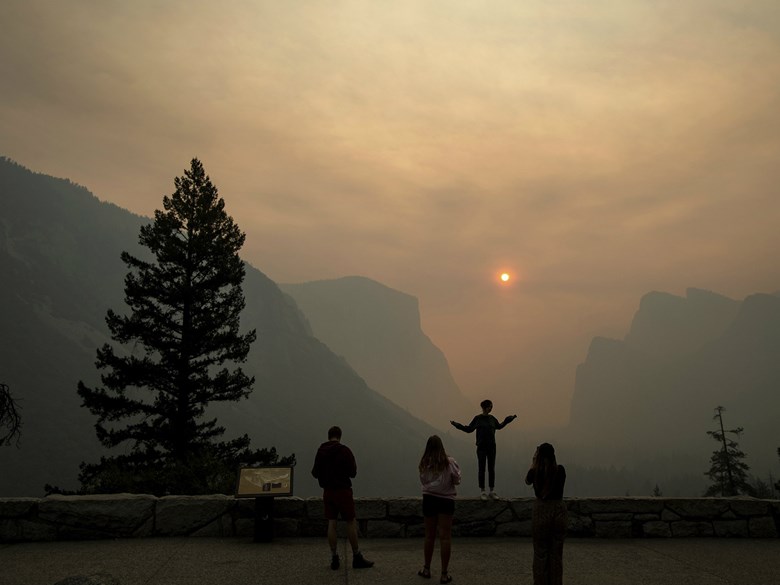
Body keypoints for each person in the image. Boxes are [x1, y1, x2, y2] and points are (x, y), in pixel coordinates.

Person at [311, 426, 374, 570]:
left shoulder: (321, 451)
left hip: (328, 492)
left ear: (328, 436)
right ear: (339, 436)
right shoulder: (345, 451)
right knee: (350, 521)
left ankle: (334, 558)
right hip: (343, 491)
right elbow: (353, 473)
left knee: (331, 523)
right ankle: (356, 556)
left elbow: (315, 473)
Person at [450, 399, 517, 499]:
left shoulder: (492, 418)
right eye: (490, 406)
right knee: (482, 468)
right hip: (481, 447)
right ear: (485, 407)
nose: (491, 408)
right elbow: (468, 429)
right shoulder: (478, 419)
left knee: (491, 468)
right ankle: (483, 491)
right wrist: (457, 425)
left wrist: (509, 419)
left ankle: (492, 490)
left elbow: (499, 426)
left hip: (492, 447)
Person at [418, 435, 461, 584]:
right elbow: (457, 480)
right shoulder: (450, 462)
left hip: (429, 499)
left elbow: (423, 480)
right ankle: (444, 574)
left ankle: (426, 569)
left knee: (429, 536)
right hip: (446, 500)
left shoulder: (424, 462)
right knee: (445, 537)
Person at [525, 442, 567, 585]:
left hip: (541, 512)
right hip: (559, 511)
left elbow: (527, 481)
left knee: (540, 553)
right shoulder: (560, 470)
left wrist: (533, 462)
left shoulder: (535, 472)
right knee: (556, 554)